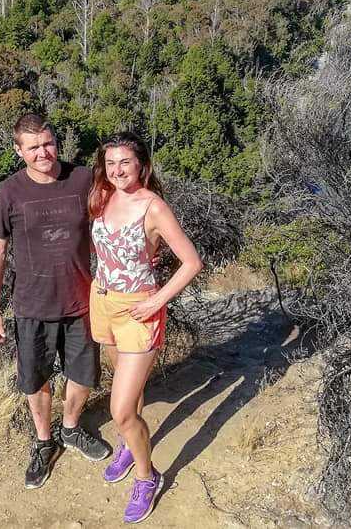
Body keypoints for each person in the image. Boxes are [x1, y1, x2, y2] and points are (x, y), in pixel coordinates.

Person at [0, 113, 112, 489]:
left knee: (84, 375)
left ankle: (71, 428)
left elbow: (114, 219)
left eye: (48, 143)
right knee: (35, 380)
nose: (43, 153)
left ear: (56, 141)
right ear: (19, 150)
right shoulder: (9, 192)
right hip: (32, 306)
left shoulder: (81, 178)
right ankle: (44, 441)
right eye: (33, 147)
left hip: (82, 302)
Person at [88, 131, 203, 524]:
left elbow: (191, 262)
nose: (118, 170)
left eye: (126, 162)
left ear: (142, 165)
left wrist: (156, 300)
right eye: (111, 163)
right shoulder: (102, 197)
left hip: (139, 311)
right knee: (127, 391)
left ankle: (146, 476)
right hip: (103, 303)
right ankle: (129, 445)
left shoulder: (153, 207)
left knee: (120, 409)